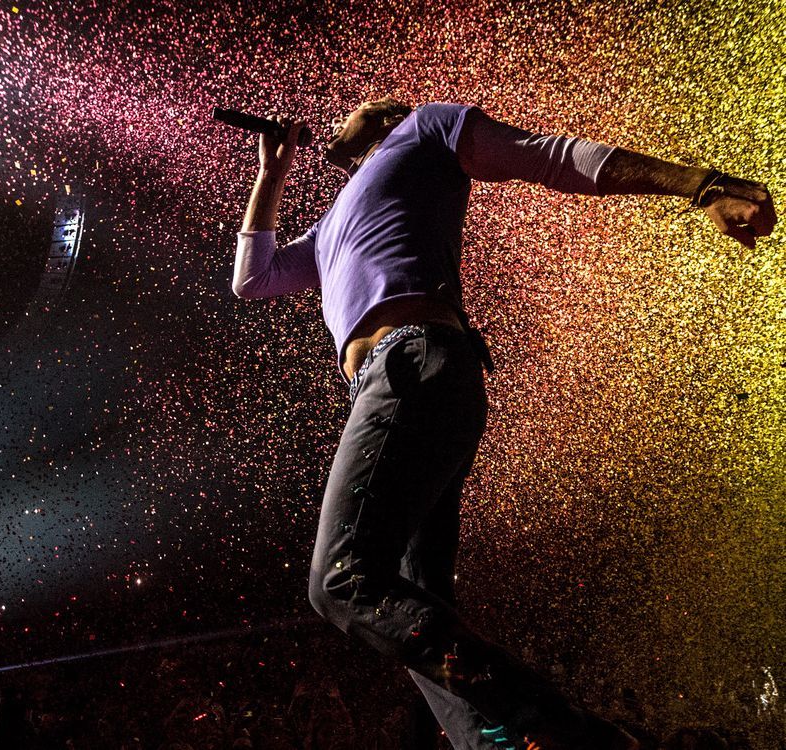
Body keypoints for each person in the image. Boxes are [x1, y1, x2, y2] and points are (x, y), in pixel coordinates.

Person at [230, 97, 776, 749]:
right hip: (397, 386)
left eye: (354, 109)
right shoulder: (328, 228)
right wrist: (273, 172)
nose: (337, 118)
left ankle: (577, 737)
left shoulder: (422, 129)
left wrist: (700, 185)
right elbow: (253, 278)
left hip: (412, 366)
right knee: (412, 606)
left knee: (342, 580)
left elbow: (553, 156)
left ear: (382, 116)